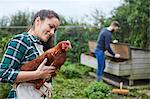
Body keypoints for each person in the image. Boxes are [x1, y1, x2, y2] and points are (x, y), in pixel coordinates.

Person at [0, 9, 60, 99]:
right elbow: (3, 73)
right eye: (51, 26)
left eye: (54, 30)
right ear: (38, 21)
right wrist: (37, 74)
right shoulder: (22, 40)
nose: (52, 32)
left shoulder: (40, 46)